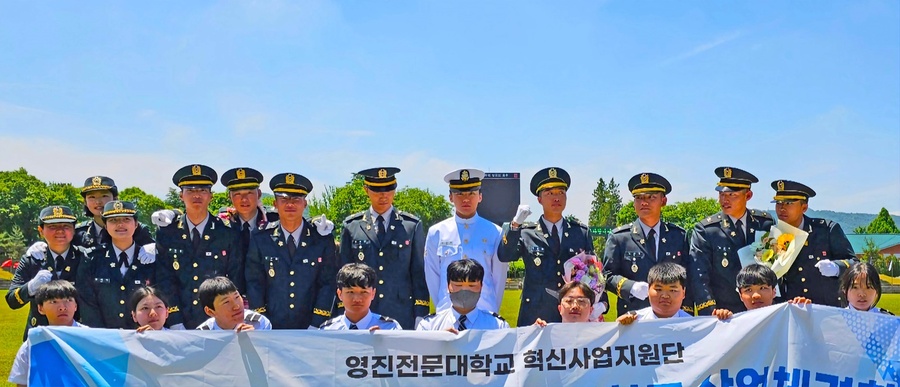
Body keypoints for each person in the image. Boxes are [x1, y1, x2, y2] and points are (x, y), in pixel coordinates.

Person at [498, 167, 595, 327]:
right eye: (550, 193)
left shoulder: (580, 232)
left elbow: (593, 272)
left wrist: (600, 303)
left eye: (561, 192)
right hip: (536, 314)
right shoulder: (526, 233)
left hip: (572, 313)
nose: (556, 197)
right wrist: (515, 226)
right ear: (539, 199)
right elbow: (505, 255)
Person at [155, 164, 243, 329]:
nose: (197, 195)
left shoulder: (228, 231)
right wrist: (174, 319)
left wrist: (227, 318)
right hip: (179, 320)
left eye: (203, 190)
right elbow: (163, 279)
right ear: (181, 195)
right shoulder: (167, 233)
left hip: (218, 321)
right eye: (190, 190)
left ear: (211, 196)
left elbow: (235, 278)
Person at [339, 167, 428, 330]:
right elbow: (343, 274)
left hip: (400, 311)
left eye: (388, 189)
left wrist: (420, 314)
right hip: (361, 313)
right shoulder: (352, 226)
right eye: (377, 190)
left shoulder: (410, 226)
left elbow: (418, 273)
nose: (383, 195)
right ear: (366, 190)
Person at [245, 173, 338, 329]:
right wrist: (262, 320)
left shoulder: (321, 239)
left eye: (296, 200)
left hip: (311, 325)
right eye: (284, 200)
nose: (290, 205)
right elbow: (255, 282)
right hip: (272, 324)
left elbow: (328, 283)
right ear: (275, 203)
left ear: (305, 204)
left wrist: (317, 322)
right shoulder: (261, 238)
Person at [689, 167, 773, 315]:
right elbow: (699, 276)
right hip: (725, 314)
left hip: (763, 311)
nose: (724, 200)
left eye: (731, 195)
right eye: (721, 194)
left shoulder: (764, 223)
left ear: (748, 195)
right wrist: (710, 312)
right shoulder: (707, 230)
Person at [603, 172, 689, 316]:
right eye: (639, 198)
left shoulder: (678, 236)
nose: (644, 202)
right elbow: (607, 276)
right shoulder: (620, 237)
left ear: (663, 201)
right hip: (632, 316)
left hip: (672, 316)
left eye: (651, 197)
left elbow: (688, 276)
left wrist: (687, 313)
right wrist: (630, 287)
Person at [425, 168, 506, 313]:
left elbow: (499, 278)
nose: (466, 199)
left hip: (484, 311)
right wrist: (443, 309)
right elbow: (433, 276)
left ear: (480, 197)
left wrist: (492, 310)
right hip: (448, 313)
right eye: (459, 194)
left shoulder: (495, 232)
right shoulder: (436, 232)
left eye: (472, 193)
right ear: (450, 197)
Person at [6, 205, 89, 341]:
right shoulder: (32, 259)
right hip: (40, 335)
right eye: (52, 227)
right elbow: (12, 301)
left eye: (66, 226)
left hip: (76, 336)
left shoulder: (85, 257)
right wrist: (31, 287)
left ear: (74, 230)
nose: (60, 231)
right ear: (41, 230)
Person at [771, 180, 857, 306]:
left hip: (824, 309)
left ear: (804, 207)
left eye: (788, 203)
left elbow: (854, 263)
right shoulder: (773, 235)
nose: (781, 208)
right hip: (791, 308)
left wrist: (837, 267)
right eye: (778, 203)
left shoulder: (826, 230)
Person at [26, 176, 156, 256]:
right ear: (85, 202)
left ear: (115, 199)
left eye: (104, 196)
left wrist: (154, 248)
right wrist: (44, 247)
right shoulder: (78, 233)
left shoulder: (138, 230)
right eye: (92, 197)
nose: (98, 202)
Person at [78, 201, 157, 329]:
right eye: (113, 220)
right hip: (104, 338)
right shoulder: (92, 258)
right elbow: (87, 302)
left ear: (136, 224)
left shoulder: (150, 258)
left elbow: (158, 299)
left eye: (126, 219)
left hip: (143, 335)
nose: (120, 224)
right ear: (105, 225)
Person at [8, 280, 86, 387]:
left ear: (76, 306)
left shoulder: (90, 338)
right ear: (40, 308)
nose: (62, 307)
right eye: (54, 302)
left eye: (68, 300)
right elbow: (22, 383)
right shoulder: (32, 345)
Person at [416, 259, 509, 332]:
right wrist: (438, 341)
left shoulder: (498, 326)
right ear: (448, 286)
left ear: (481, 287)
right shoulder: (428, 326)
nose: (465, 290)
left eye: (472, 285)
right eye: (458, 285)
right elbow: (418, 354)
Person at [710, 264, 811, 320]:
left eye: (763, 288)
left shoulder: (789, 317)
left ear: (774, 291)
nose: (756, 295)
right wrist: (722, 320)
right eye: (748, 290)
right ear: (740, 295)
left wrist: (804, 312)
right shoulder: (734, 322)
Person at [320, 263, 402, 331]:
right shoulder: (328, 330)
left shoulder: (390, 328)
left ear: (373, 293)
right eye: (350, 292)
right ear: (339, 294)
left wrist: (384, 343)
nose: (357, 299)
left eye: (364, 292)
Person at [616, 262, 692, 324]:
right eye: (659, 289)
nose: (665, 296)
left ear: (683, 292)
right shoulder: (634, 322)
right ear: (648, 290)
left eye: (672, 290)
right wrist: (618, 327)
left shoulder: (694, 326)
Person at [196, 276, 272, 331]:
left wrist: (257, 340)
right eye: (226, 302)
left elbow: (268, 352)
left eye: (237, 297)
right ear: (210, 311)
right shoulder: (203, 334)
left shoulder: (259, 322)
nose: (236, 306)